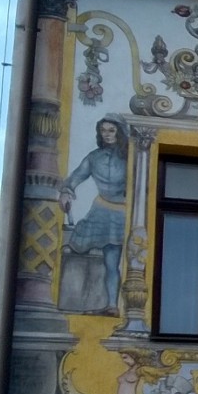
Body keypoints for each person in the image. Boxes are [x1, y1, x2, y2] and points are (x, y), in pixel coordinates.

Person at [59, 116, 129, 314]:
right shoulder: (94, 157)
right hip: (101, 210)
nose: (107, 134)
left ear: (119, 133)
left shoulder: (130, 155)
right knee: (85, 251)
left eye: (111, 130)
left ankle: (116, 305)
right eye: (103, 131)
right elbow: (76, 176)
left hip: (124, 212)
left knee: (118, 261)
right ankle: (107, 304)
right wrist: (66, 191)